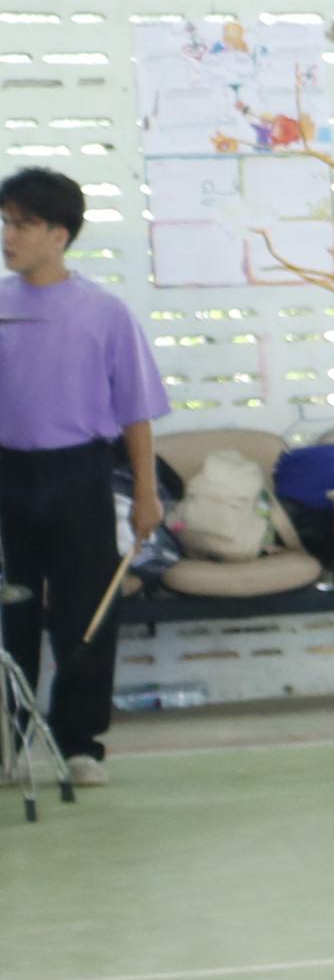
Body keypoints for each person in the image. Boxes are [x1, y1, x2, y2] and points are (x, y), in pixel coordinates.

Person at [0, 165, 164, 783]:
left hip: (80, 474)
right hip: (9, 475)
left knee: (85, 613)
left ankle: (80, 745)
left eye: (23, 224)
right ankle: (10, 742)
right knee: (11, 611)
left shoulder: (104, 312)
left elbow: (136, 414)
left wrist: (146, 495)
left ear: (59, 235)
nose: (9, 236)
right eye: (6, 223)